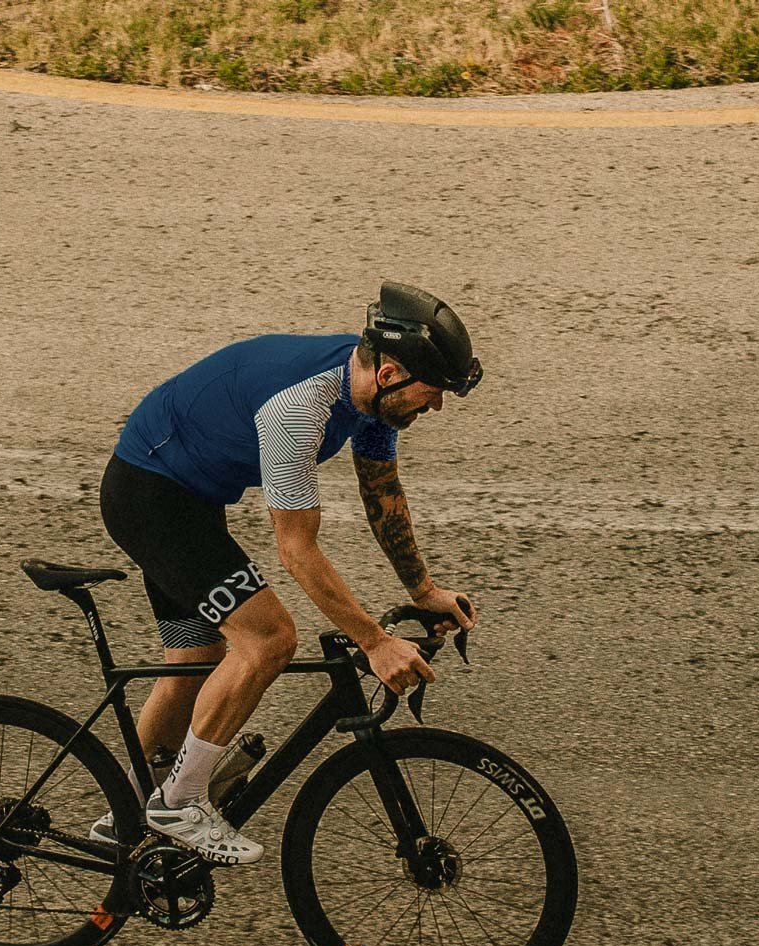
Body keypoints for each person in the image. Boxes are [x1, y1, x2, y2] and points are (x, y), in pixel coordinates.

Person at [96, 282, 481, 865]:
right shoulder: (299, 411)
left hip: (184, 494)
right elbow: (297, 550)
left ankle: (122, 818)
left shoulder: (368, 402)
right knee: (269, 637)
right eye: (433, 392)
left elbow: (381, 492)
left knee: (194, 663)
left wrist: (423, 591)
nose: (435, 406)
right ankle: (179, 802)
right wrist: (373, 641)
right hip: (153, 496)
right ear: (391, 373)